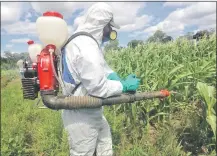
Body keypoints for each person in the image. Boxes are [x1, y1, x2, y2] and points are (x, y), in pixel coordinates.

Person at [61, 2, 140, 156]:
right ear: (102, 25)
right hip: (81, 114)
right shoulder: (86, 46)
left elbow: (101, 67)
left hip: (91, 110)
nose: (110, 31)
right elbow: (98, 88)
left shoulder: (84, 41)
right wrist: (123, 86)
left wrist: (114, 76)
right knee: (83, 152)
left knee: (105, 147)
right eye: (109, 27)